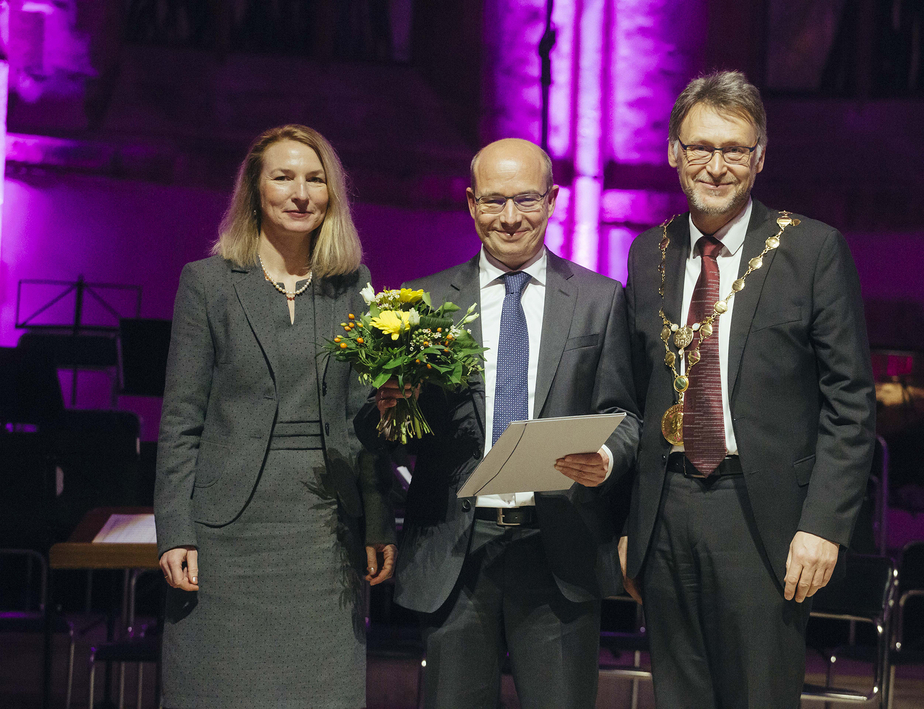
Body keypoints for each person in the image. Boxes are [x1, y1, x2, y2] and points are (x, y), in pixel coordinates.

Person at [622, 71, 876, 708]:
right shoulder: (646, 253)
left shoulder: (813, 251)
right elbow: (632, 395)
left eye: (733, 150)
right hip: (667, 512)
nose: (715, 166)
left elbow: (851, 401)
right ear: (674, 153)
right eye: (700, 148)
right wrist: (631, 523)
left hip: (763, 518)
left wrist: (824, 526)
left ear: (760, 158)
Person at [367, 138, 640, 709]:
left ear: (552, 200)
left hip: (558, 546)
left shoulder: (600, 299)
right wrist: (393, 411)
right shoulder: (423, 304)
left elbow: (624, 414)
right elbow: (388, 432)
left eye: (525, 200)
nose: (510, 218)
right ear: (470, 204)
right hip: (454, 551)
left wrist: (606, 457)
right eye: (493, 201)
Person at [154, 124, 396, 709]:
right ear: (254, 190)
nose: (300, 192)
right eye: (283, 177)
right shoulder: (207, 284)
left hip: (323, 530)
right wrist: (175, 529)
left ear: (332, 195)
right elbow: (181, 420)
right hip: (227, 529)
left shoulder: (352, 288)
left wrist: (378, 519)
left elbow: (364, 418)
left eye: (315, 179)